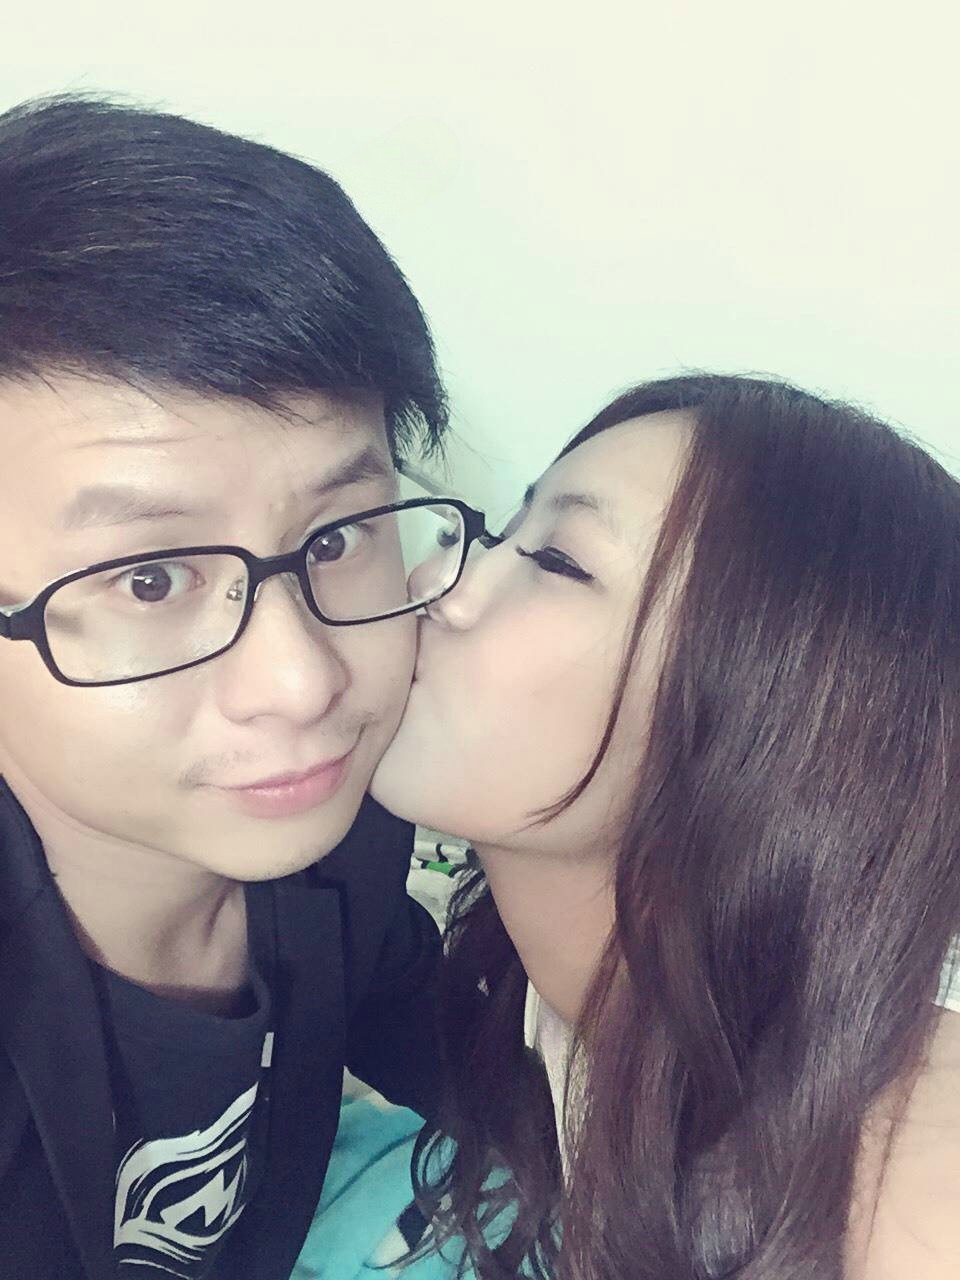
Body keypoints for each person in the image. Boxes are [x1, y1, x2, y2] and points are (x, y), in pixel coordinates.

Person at [0, 94, 494, 1280]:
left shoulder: (342, 841)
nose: (302, 680)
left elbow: (440, 1034)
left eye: (338, 535)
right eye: (151, 577)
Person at [371, 374, 960, 1279]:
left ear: (769, 720)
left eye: (556, 560)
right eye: (502, 535)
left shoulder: (913, 1167)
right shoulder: (549, 991)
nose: (437, 586)